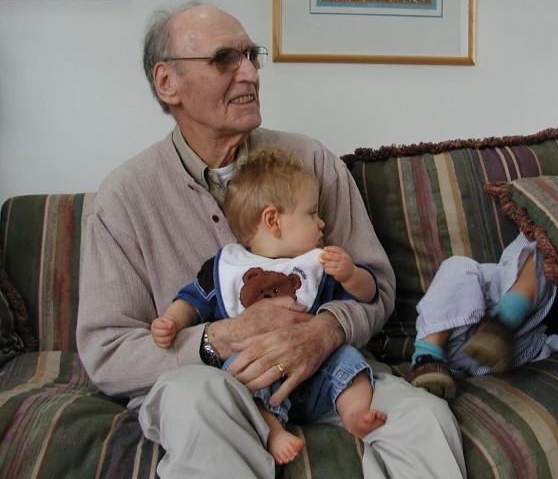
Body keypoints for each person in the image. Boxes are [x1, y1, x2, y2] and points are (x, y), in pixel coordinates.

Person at [76, 0, 466, 479]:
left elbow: (377, 288)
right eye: (224, 59)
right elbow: (107, 353)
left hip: (329, 372)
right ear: (167, 83)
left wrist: (323, 331)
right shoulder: (125, 198)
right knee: (192, 399)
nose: (249, 73)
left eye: (251, 55)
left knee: (424, 420)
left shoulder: (310, 160)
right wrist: (218, 338)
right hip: (212, 384)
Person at [150, 147, 387, 464]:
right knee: (238, 369)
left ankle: (354, 414)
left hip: (318, 373)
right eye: (311, 214)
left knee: (349, 357)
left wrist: (351, 274)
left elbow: (367, 294)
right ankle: (272, 430)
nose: (322, 223)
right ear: (273, 220)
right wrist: (171, 321)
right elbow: (191, 300)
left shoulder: (319, 262)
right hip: (259, 374)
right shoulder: (225, 267)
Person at [407, 233, 558, 399]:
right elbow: (528, 246)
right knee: (457, 266)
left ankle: (498, 330)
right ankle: (426, 359)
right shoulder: (532, 257)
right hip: (460, 328)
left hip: (513, 352)